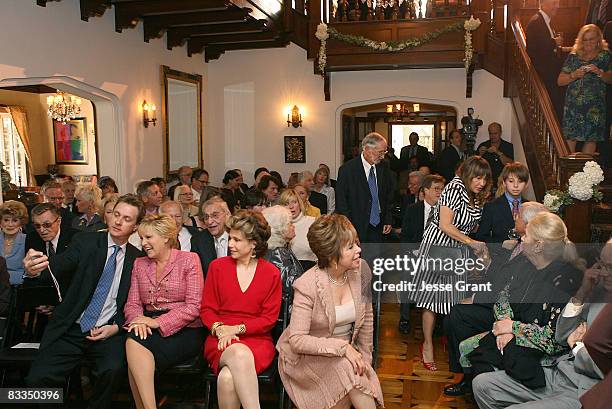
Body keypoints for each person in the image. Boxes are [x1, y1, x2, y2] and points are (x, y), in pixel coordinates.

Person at [23, 194, 144, 409]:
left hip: (107, 332)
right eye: (116, 214)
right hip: (72, 327)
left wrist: (115, 328)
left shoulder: (137, 258)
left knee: (112, 370)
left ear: (135, 227)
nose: (118, 221)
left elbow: (134, 303)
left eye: (126, 219)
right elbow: (57, 267)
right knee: (36, 381)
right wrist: (34, 270)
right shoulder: (86, 241)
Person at [472, 239, 611, 409]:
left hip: (585, 389)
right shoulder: (597, 289)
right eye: (601, 265)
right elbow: (561, 335)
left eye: (609, 267)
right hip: (559, 373)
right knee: (483, 385)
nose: (602, 273)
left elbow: (601, 366)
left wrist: (576, 346)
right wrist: (582, 293)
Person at [459, 212, 583, 394]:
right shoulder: (526, 263)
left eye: (526, 236)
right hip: (511, 333)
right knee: (477, 353)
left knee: (484, 360)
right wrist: (504, 324)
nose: (522, 239)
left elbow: (555, 340)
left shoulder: (564, 281)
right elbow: (503, 296)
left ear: (538, 246)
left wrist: (513, 328)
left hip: (541, 352)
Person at [443, 201, 551, 397]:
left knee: (458, 315)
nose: (514, 218)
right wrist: (485, 261)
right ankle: (465, 374)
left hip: (512, 312)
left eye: (518, 216)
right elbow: (500, 278)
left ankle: (468, 378)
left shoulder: (533, 253)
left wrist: (477, 299)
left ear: (528, 224)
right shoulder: (516, 244)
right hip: (499, 302)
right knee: (455, 313)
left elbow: (508, 291)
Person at [277, 214, 384, 409]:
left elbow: (367, 318)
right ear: (331, 255)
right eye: (350, 247)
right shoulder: (307, 285)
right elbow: (298, 340)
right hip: (309, 358)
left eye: (356, 243)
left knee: (352, 370)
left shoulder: (362, 271)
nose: (359, 250)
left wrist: (366, 359)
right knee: (347, 369)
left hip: (348, 355)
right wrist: (342, 348)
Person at [410, 156, 492, 371]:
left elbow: (471, 226)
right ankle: (427, 345)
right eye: (477, 178)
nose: (481, 183)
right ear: (467, 175)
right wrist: (472, 242)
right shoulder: (454, 188)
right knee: (431, 299)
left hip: (459, 249)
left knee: (454, 298)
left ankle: (452, 342)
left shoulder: (477, 195)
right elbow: (445, 225)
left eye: (484, 179)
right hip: (438, 246)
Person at [200, 210, 282, 409]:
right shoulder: (217, 267)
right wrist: (220, 329)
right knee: (238, 353)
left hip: (257, 340)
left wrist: (235, 329)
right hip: (219, 338)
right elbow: (207, 310)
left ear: (253, 243)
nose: (230, 244)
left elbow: (268, 320)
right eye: (230, 238)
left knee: (227, 379)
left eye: (237, 240)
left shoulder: (271, 273)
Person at [124, 214, 205, 409]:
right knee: (133, 339)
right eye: (142, 238)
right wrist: (138, 321)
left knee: (132, 346)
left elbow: (194, 306)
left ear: (166, 238)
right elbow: (132, 303)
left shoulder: (189, 260)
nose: (143, 243)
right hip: (147, 325)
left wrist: (158, 322)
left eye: (149, 237)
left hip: (186, 329)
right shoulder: (139, 263)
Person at [398, 175, 445, 334]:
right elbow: (405, 237)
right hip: (414, 255)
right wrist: (415, 252)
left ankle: (437, 318)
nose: (440, 192)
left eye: (441, 189)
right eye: (436, 189)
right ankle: (404, 318)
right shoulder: (413, 210)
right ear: (425, 191)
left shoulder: (445, 212)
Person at [558, 24, 612, 154]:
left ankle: (584, 174)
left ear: (598, 39)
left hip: (595, 107)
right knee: (570, 139)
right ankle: (567, 173)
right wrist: (574, 75)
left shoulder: (605, 56)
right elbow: (560, 81)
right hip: (573, 106)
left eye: (591, 39)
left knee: (591, 139)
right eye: (585, 39)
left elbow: (610, 79)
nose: (588, 42)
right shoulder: (573, 56)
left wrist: (599, 72)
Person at [336, 132, 394, 243]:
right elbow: (342, 202)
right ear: (367, 149)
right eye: (380, 152)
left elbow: (388, 196)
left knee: (377, 259)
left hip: (379, 226)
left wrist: (388, 219)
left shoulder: (384, 167)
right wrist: (348, 227)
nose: (383, 156)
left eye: (384, 152)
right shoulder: (347, 170)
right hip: (355, 227)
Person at [24, 203, 79, 292]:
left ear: (59, 221)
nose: (42, 230)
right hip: (43, 294)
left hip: (70, 293)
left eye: (47, 225)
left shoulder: (75, 238)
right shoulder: (32, 238)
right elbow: (32, 277)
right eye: (37, 226)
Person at [525, 0, 565, 120]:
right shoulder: (536, 22)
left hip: (551, 74)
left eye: (558, 3)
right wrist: (554, 42)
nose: (557, 6)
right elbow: (533, 50)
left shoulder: (545, 21)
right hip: (545, 76)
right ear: (542, 3)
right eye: (554, 3)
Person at [474, 162, 529, 245]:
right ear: (504, 183)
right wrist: (501, 243)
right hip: (500, 255)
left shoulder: (529, 206)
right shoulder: (491, 207)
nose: (516, 185)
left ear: (526, 184)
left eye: (520, 181)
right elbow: (481, 237)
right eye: (511, 181)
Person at [261, 205, 304, 297]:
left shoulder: (276, 250)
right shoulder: (278, 254)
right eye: (290, 223)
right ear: (279, 229)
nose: (293, 226)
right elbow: (293, 287)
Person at [191, 197, 231, 277]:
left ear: (227, 215)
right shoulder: (198, 240)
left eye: (215, 215)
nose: (209, 222)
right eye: (206, 217)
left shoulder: (239, 236)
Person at [279, 189, 317, 271]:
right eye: (286, 204)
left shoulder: (312, 222)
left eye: (294, 202)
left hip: (310, 270)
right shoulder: (278, 226)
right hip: (287, 272)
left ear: (299, 204)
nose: (291, 206)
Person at [477, 123, 514, 191]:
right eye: (490, 133)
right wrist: (480, 155)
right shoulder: (483, 145)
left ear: (500, 133)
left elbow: (511, 165)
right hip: (485, 185)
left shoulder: (508, 146)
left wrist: (498, 152)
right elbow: (475, 166)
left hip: (503, 185)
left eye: (495, 133)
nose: (492, 136)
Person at [0, 200, 28, 284]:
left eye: (15, 220)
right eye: (6, 220)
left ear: (21, 223)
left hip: (19, 288)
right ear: (0, 222)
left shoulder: (27, 240)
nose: (10, 224)